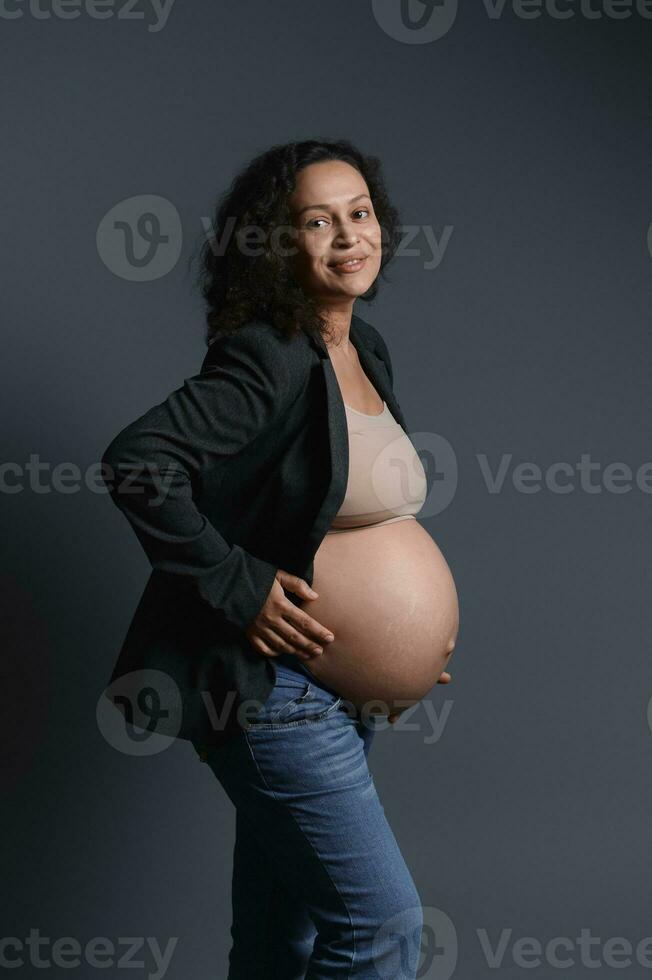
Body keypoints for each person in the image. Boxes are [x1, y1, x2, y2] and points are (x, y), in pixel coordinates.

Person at [101, 138, 455, 979]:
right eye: (317, 222)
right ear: (275, 244)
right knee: (383, 928)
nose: (349, 237)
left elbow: (334, 515)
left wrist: (396, 657)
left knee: (278, 941)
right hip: (276, 693)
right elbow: (137, 460)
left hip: (336, 692)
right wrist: (239, 587)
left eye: (360, 214)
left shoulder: (364, 348)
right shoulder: (268, 353)